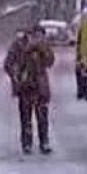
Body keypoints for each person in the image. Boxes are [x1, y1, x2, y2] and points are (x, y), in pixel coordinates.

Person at [16, 25, 55, 154]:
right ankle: (27, 144)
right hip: (26, 87)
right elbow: (11, 63)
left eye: (40, 36)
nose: (37, 39)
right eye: (36, 35)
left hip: (40, 87)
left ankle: (44, 142)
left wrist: (42, 51)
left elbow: (50, 61)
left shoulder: (43, 47)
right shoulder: (20, 46)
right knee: (26, 117)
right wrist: (17, 75)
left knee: (42, 117)